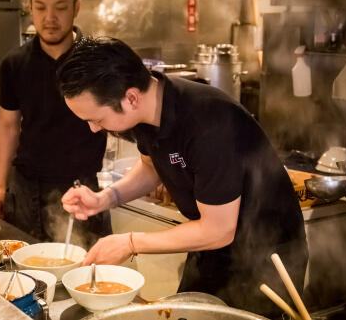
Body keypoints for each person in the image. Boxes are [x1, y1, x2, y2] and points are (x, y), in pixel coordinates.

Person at [56, 37, 308, 317]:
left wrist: (129, 243)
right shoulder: (146, 110)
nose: (93, 129)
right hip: (210, 247)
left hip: (266, 256)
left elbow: (219, 230)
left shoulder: (208, 123)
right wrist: (105, 198)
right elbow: (152, 167)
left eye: (97, 119)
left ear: (130, 98)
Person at [0, 0, 111, 248]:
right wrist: (0, 185)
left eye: (60, 7)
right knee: (25, 276)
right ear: (30, 7)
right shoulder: (14, 63)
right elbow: (8, 126)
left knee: (86, 275)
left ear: (76, 7)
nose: (49, 17)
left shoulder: (98, 61)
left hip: (80, 188)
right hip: (26, 188)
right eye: (40, 7)